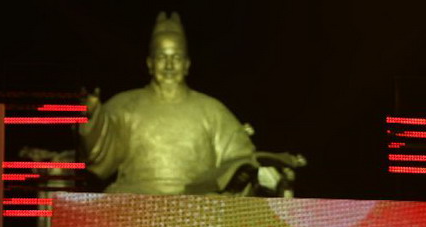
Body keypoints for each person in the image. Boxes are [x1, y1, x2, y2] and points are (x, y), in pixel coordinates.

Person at [80, 12, 300, 196]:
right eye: (161, 57)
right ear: (149, 63)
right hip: (134, 204)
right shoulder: (125, 105)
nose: (168, 65)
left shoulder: (212, 111)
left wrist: (259, 169)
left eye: (176, 57)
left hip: (198, 211)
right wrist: (92, 117)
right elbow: (98, 154)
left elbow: (241, 159)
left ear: (186, 65)